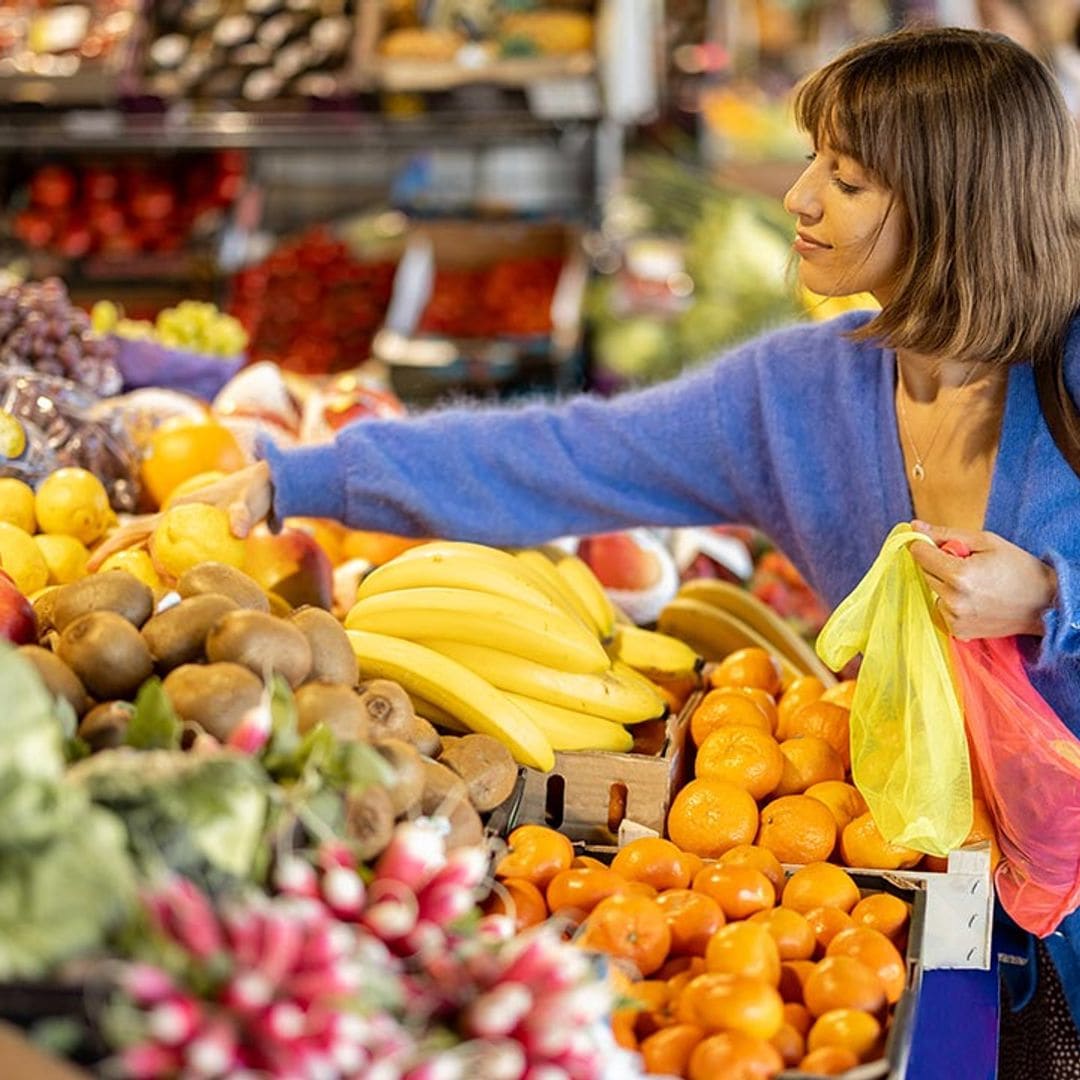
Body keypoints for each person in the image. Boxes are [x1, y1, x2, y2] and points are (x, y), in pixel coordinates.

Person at [93, 27, 1080, 1072]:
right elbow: (559, 454)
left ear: (949, 203)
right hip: (922, 879)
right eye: (809, 163)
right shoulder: (793, 398)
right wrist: (299, 478)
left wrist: (1053, 595)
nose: (797, 197)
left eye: (844, 178)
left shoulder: (1066, 372)